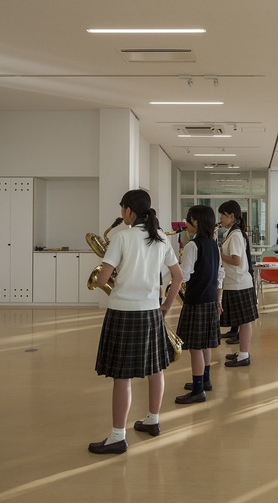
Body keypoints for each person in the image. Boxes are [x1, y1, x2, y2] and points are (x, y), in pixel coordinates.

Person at [89, 189, 183, 455]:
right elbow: (178, 276)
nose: (122, 214)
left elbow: (101, 279)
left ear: (129, 210)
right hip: (151, 311)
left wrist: (117, 272)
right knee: (156, 369)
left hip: (123, 312)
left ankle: (117, 437)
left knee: (122, 377)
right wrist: (166, 305)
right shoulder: (161, 238)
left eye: (122, 209)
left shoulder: (122, 238)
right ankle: (153, 420)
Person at [174, 205, 224, 404]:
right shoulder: (214, 246)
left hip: (196, 301)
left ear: (196, 221)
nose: (186, 223)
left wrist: (173, 270)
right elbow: (220, 275)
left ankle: (197, 390)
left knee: (195, 347)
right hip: (210, 299)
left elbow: (184, 275)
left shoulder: (192, 246)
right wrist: (219, 299)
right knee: (204, 344)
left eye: (189, 219)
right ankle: (205, 380)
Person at [218, 200, 258, 367]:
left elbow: (236, 260)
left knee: (244, 322)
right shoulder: (233, 233)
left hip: (239, 283)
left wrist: (218, 254)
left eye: (222, 215)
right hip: (236, 282)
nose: (220, 218)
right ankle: (242, 352)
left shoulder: (235, 235)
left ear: (231, 216)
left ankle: (244, 355)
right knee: (243, 321)